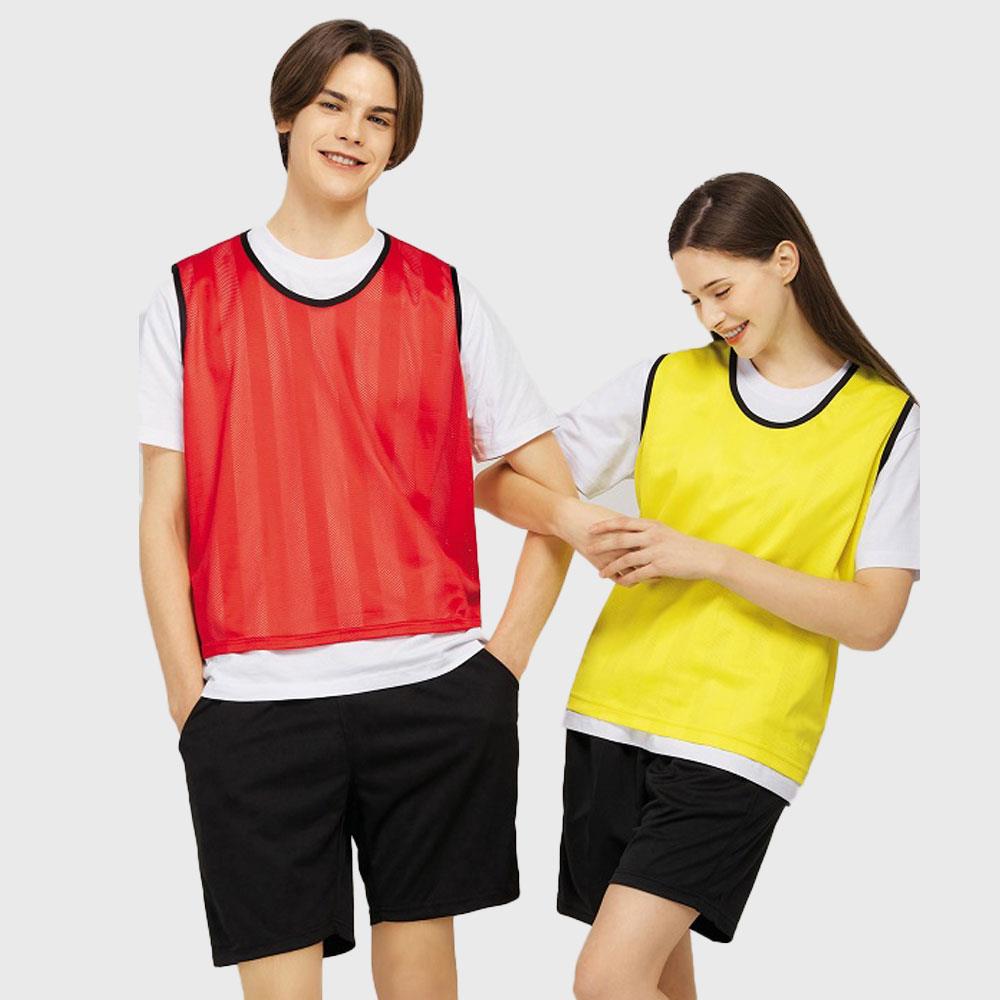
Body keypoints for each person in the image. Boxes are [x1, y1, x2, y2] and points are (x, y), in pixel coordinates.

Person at [138, 19, 576, 1000]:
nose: (352, 131)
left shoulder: (444, 296)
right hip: (251, 708)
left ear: (397, 141)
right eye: (332, 105)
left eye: (378, 117)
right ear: (286, 115)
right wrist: (187, 699)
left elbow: (556, 497)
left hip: (432, 697)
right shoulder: (188, 295)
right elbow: (161, 514)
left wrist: (501, 664)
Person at [474, 172, 919, 999]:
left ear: (784, 261)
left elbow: (874, 617)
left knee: (606, 979)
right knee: (654, 979)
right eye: (693, 300)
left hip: (741, 736)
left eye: (721, 290)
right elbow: (496, 482)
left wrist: (710, 559)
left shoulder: (883, 416)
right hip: (614, 706)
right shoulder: (665, 381)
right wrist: (577, 522)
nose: (712, 318)